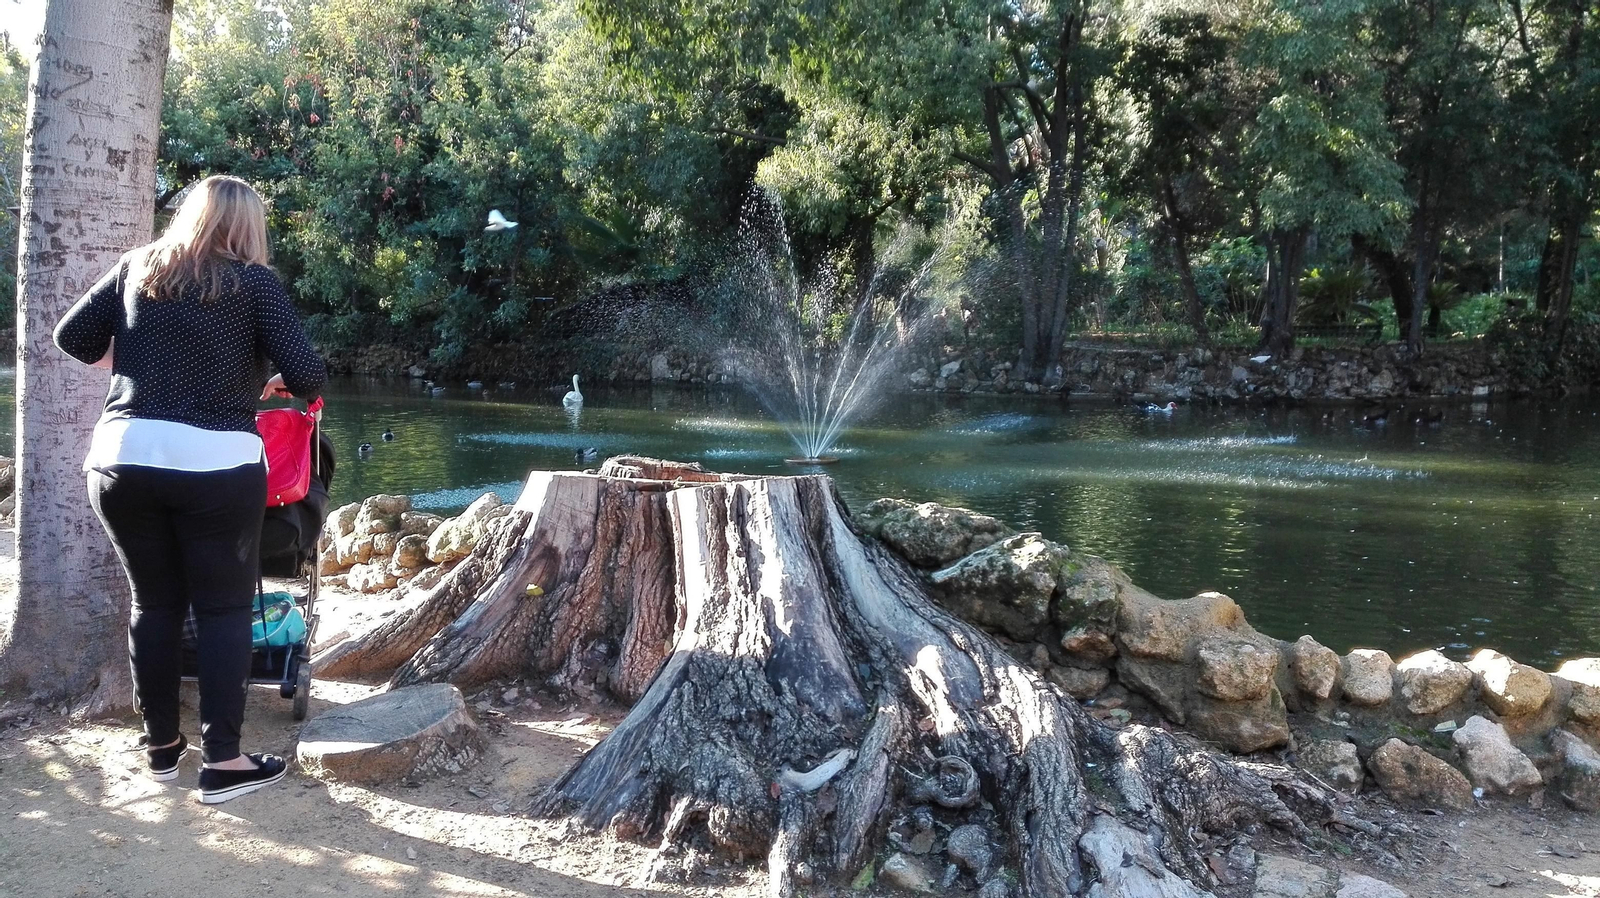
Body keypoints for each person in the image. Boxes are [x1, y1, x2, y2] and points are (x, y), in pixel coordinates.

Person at [53, 175, 326, 804]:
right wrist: (272, 384)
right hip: (216, 463)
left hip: (124, 458)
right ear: (248, 227)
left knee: (154, 604)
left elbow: (72, 337)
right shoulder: (254, 284)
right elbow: (309, 374)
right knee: (224, 610)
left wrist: (135, 365)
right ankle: (223, 764)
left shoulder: (136, 267)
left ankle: (161, 751)